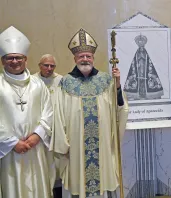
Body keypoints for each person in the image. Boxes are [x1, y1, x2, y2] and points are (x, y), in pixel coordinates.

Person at [50, 28, 129, 198]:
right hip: (75, 144)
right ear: (75, 58)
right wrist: (63, 143)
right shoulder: (65, 83)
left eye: (88, 56)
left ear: (93, 58)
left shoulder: (106, 80)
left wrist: (117, 85)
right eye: (81, 56)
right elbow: (58, 115)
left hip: (102, 143)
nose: (85, 59)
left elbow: (119, 108)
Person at [0, 26, 54, 198]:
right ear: (3, 61)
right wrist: (12, 142)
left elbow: (49, 112)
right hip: (8, 152)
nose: (14, 61)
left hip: (35, 149)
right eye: (10, 58)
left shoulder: (38, 85)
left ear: (25, 59)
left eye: (18, 58)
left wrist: (37, 136)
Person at [33, 54, 63, 197]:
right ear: (40, 65)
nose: (49, 69)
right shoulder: (32, 81)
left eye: (52, 66)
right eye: (46, 65)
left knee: (57, 163)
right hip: (41, 129)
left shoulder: (61, 80)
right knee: (44, 163)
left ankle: (57, 190)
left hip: (58, 127)